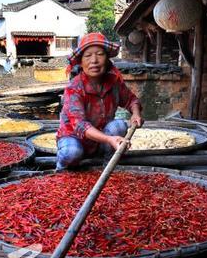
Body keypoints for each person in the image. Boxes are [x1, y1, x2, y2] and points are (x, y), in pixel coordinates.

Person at [56, 33, 143, 171]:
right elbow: (80, 126)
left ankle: (108, 164)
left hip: (100, 140)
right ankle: (61, 169)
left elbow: (132, 100)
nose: (94, 60)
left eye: (100, 54)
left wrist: (135, 114)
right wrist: (109, 139)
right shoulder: (74, 88)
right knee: (72, 152)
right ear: (81, 61)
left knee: (119, 126)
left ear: (107, 59)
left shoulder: (113, 82)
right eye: (88, 56)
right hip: (74, 139)